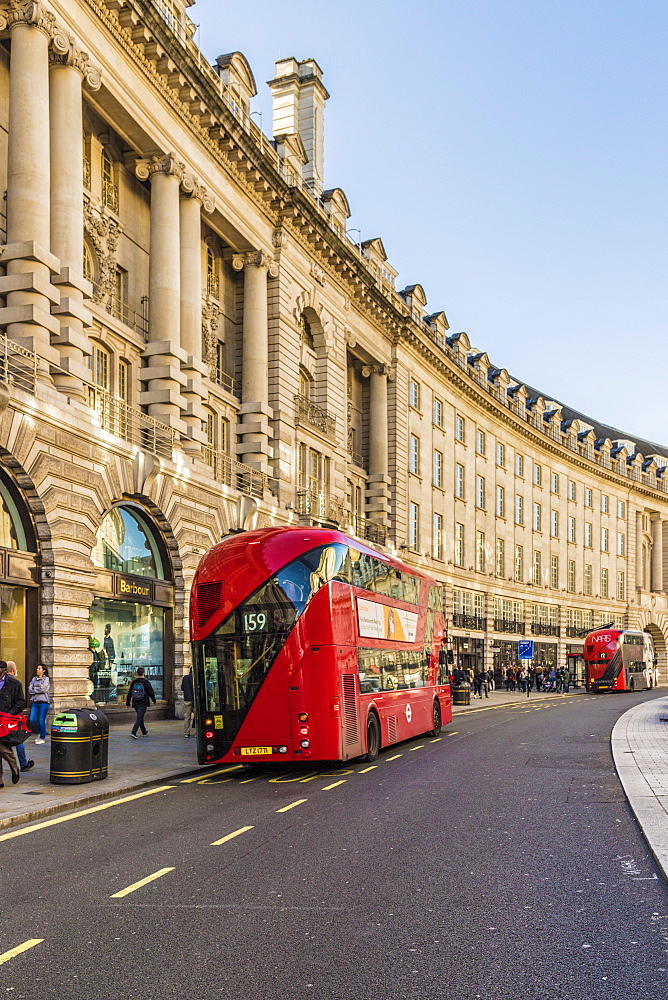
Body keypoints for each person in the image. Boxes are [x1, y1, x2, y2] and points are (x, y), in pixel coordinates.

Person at [0, 659, 24, 786]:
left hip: (6, 720)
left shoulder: (15, 684)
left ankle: (14, 768)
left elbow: (21, 702)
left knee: (4, 749)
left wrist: (10, 713)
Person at [6, 662, 34, 771]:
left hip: (5, 715)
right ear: (13, 670)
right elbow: (20, 703)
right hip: (12, 716)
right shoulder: (15, 683)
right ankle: (23, 763)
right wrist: (12, 713)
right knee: (18, 739)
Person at [126, 666, 156, 738]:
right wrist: (154, 700)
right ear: (144, 673)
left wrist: (128, 703)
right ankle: (133, 732)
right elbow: (151, 692)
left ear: (137, 673)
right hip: (143, 702)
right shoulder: (146, 682)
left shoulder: (134, 682)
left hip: (135, 702)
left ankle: (144, 731)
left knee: (140, 716)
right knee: (139, 718)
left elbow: (130, 693)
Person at [28, 665, 50, 744]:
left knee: (41, 720)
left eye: (39, 668)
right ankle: (38, 732)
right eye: (37, 668)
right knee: (32, 719)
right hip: (35, 702)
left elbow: (44, 689)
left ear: (43, 670)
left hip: (44, 702)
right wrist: (38, 687)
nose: (37, 670)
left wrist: (35, 688)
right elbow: (30, 689)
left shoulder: (46, 679)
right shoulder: (34, 679)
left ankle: (42, 737)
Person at [181, 666, 194, 738]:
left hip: (187, 699)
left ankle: (186, 732)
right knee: (197, 717)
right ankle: (196, 732)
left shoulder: (185, 678)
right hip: (195, 700)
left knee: (187, 716)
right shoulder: (196, 678)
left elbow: (182, 688)